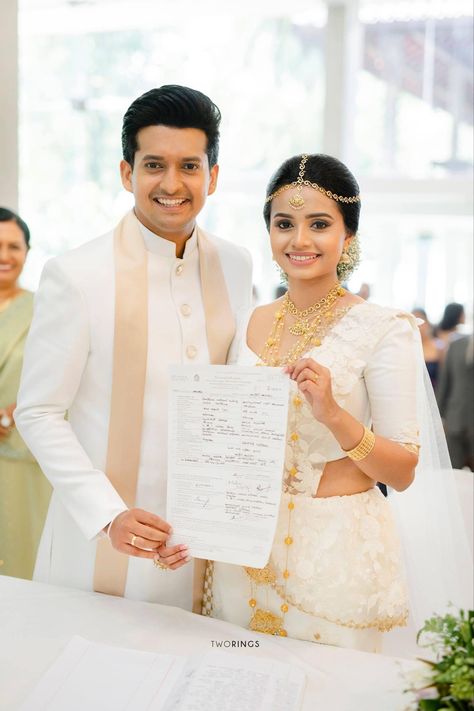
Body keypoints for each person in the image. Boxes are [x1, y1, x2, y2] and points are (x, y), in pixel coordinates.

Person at [205, 153, 472, 653]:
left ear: (347, 237)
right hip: (244, 545)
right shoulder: (248, 322)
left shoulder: (383, 329)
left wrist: (333, 413)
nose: (299, 240)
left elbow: (403, 471)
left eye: (319, 224)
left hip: (335, 554)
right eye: (284, 223)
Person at [15, 85, 252, 609]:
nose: (172, 184)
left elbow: (239, 391)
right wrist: (106, 513)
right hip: (100, 540)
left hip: (204, 539)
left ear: (212, 175)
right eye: (154, 166)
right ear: (128, 174)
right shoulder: (76, 274)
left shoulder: (237, 266)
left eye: (189, 166)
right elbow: (39, 411)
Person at [0, 208, 51, 579]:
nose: (5, 256)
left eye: (14, 246)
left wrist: (17, 411)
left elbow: (60, 380)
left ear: (28, 252)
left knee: (20, 570)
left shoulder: (45, 309)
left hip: (18, 457)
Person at [437, 334, 474, 470]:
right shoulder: (456, 345)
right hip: (455, 417)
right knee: (452, 469)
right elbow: (445, 381)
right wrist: (439, 416)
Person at [412, 307, 444, 390]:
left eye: (419, 321)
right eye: (412, 322)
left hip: (435, 392)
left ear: (427, 323)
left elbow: (444, 376)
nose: (417, 326)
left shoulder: (439, 346)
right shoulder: (409, 347)